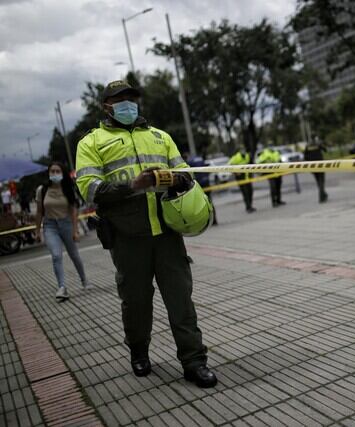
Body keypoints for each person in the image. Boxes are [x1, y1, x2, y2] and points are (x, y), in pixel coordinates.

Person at [75, 79, 217, 388]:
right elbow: (90, 189)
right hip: (127, 238)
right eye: (120, 99)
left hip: (167, 232)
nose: (128, 103)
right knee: (136, 303)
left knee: (181, 300)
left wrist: (178, 181)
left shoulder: (160, 136)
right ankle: (139, 352)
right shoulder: (92, 142)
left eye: (131, 98)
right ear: (106, 106)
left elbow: (184, 173)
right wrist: (132, 186)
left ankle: (194, 361)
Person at [34, 162, 89, 301]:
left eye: (57, 171)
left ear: (62, 173)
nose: (54, 174)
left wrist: (75, 230)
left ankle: (84, 280)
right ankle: (62, 287)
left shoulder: (67, 189)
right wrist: (37, 231)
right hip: (50, 226)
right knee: (56, 256)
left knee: (74, 255)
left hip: (66, 224)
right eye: (52, 171)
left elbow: (73, 210)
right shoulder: (42, 190)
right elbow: (39, 211)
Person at [229, 148, 255, 213]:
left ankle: (250, 206)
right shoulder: (236, 157)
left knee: (250, 192)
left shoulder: (247, 156)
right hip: (240, 179)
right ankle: (248, 207)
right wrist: (236, 172)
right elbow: (230, 165)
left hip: (247, 178)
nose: (243, 151)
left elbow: (250, 164)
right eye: (242, 150)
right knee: (245, 193)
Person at [304, 135, 329, 203]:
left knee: (318, 181)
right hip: (320, 165)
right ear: (315, 138)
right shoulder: (318, 144)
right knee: (321, 181)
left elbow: (305, 157)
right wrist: (321, 144)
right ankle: (321, 197)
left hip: (312, 166)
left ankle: (323, 194)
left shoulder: (307, 145)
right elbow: (325, 150)